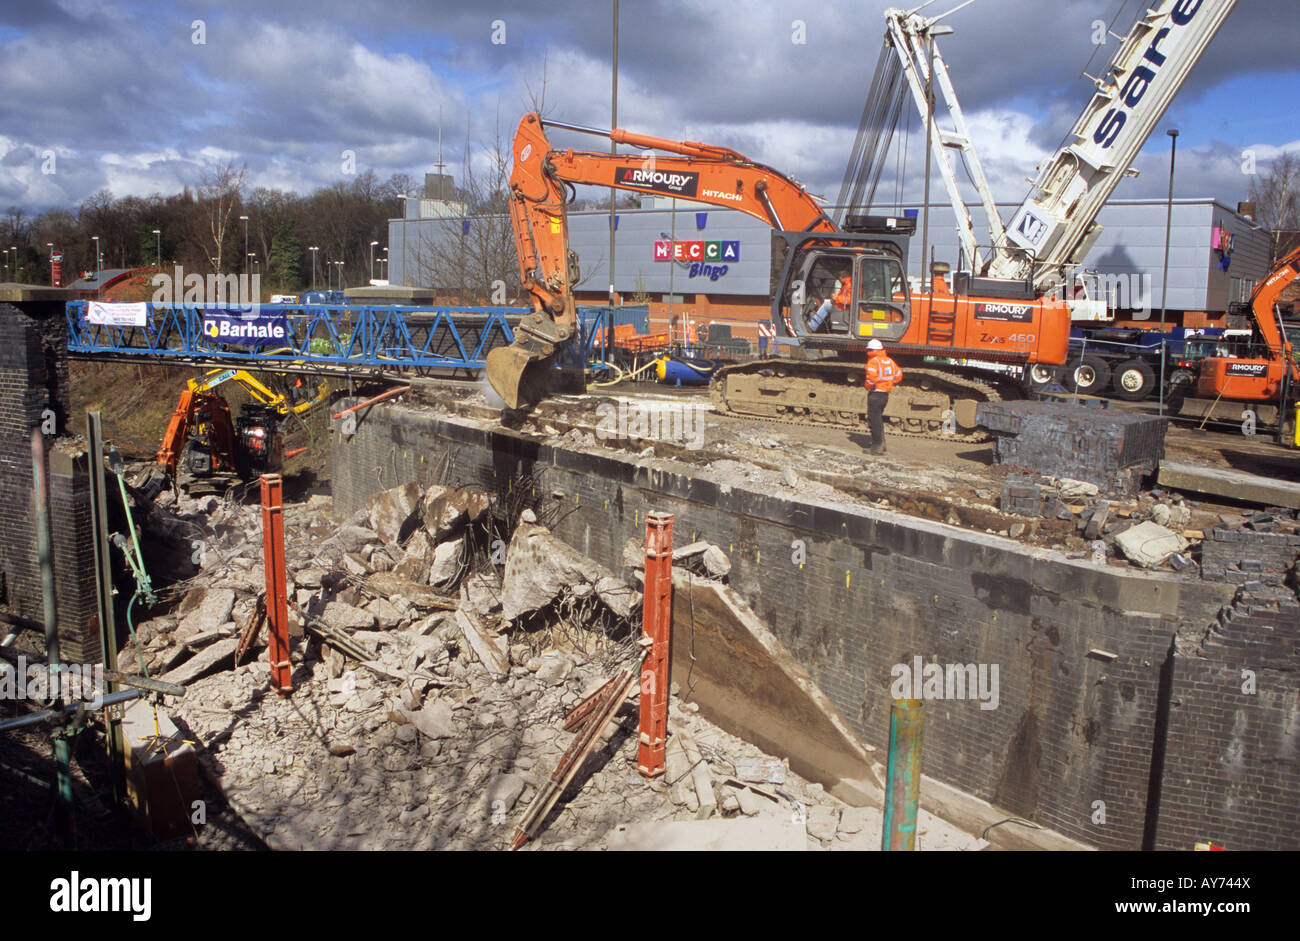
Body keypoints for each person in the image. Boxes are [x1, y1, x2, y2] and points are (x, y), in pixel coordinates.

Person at [864, 338, 902, 454]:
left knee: (874, 420)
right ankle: (882, 443)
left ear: (871, 350)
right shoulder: (889, 361)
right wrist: (889, 384)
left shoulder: (873, 361)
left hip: (875, 394)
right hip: (885, 394)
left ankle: (877, 447)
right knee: (878, 419)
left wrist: (868, 386)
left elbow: (871, 379)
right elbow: (898, 375)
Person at [809, 267, 852, 332]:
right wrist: (834, 299)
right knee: (827, 303)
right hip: (842, 305)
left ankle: (812, 326)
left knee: (826, 305)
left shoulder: (849, 285)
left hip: (845, 308)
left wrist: (836, 298)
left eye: (839, 279)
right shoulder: (847, 284)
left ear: (842, 277)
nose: (839, 280)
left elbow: (849, 300)